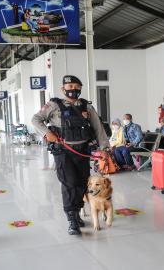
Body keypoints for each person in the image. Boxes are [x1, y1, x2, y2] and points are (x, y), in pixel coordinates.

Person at [31, 75, 109, 236]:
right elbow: (36, 119)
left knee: (81, 183)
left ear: (80, 88)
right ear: (63, 89)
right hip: (63, 152)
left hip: (82, 151)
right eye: (70, 86)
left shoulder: (86, 106)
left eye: (76, 86)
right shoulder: (54, 105)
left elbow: (98, 127)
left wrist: (104, 148)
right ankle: (72, 219)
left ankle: (76, 211)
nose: (73, 89)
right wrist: (47, 134)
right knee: (70, 183)